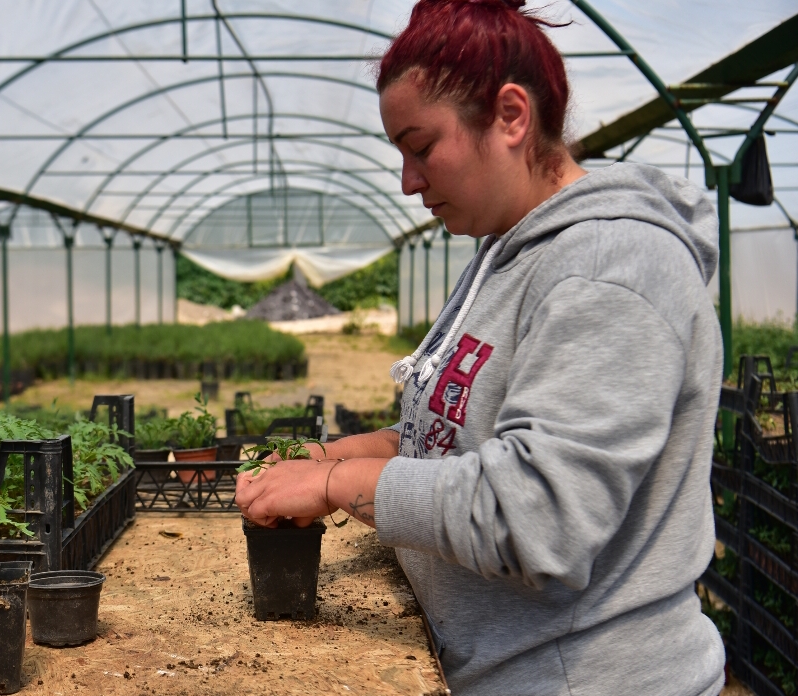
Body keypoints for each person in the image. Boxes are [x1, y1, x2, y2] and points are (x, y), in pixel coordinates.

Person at [234, 0, 726, 693]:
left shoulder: (610, 269)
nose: (409, 180)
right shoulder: (504, 250)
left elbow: (541, 518)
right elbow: (456, 439)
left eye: (421, 146)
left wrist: (336, 483)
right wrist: (334, 454)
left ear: (511, 117)